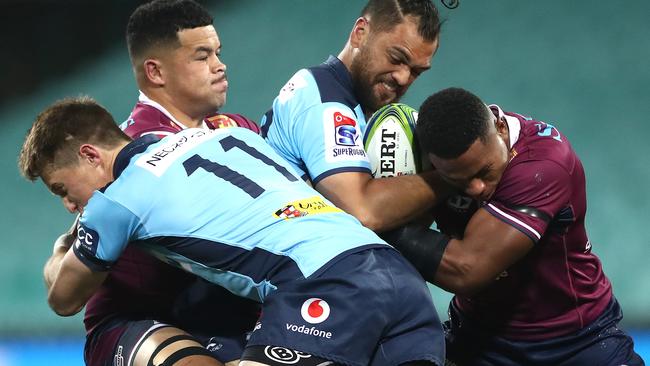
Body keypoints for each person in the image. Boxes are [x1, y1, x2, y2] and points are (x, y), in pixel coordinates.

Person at [19, 96, 446, 366]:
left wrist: (61, 250)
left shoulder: (117, 201)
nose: (71, 204)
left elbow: (64, 298)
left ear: (91, 154)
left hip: (324, 285)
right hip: (398, 277)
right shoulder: (217, 135)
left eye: (62, 188)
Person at [42, 1, 259, 365]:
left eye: (218, 53)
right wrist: (63, 248)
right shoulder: (130, 153)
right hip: (135, 322)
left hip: (219, 315)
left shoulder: (236, 129)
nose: (219, 66)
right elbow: (65, 290)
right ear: (156, 72)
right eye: (201, 56)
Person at [388, 87, 644, 365]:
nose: (476, 189)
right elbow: (367, 204)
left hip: (577, 341)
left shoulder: (544, 163)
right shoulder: (429, 158)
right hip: (479, 338)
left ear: (499, 128)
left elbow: (468, 268)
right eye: (457, 179)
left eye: (484, 172)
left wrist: (386, 227)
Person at [261, 0, 450, 232]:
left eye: (416, 71)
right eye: (397, 58)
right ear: (360, 33)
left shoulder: (362, 106)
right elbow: (363, 211)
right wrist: (453, 176)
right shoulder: (325, 101)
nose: (403, 77)